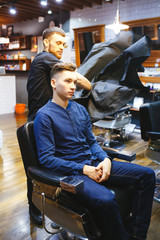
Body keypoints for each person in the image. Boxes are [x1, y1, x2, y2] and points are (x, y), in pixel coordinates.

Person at [34, 62, 155, 240]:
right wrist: (84, 170)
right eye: (67, 81)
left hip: (94, 163)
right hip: (73, 173)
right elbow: (46, 159)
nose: (73, 86)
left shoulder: (80, 110)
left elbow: (91, 142)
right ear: (53, 83)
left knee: (147, 175)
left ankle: (136, 234)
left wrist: (105, 159)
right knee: (106, 199)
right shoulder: (44, 116)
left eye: (74, 82)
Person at [26, 27, 91, 225]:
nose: (62, 47)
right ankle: (34, 206)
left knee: (57, 162)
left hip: (51, 118)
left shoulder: (49, 62)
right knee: (37, 167)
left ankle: (61, 203)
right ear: (46, 43)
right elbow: (84, 82)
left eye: (64, 44)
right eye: (58, 43)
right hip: (39, 119)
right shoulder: (44, 57)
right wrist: (79, 80)